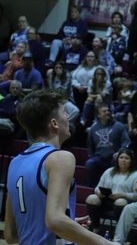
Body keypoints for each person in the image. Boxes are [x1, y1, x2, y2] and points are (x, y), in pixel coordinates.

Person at [3, 89, 118, 245]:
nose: (68, 117)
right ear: (54, 123)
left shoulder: (15, 162)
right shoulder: (60, 158)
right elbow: (55, 221)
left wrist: (69, 224)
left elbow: (10, 235)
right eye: (64, 112)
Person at [86, 148, 137, 235]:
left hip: (125, 202)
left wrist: (122, 194)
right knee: (91, 198)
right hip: (106, 199)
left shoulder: (136, 175)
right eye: (121, 157)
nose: (123, 160)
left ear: (131, 161)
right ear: (117, 159)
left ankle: (119, 232)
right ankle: (96, 227)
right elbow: (97, 188)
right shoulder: (109, 171)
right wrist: (99, 193)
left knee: (120, 201)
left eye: (127, 158)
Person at [85, 103, 131, 187]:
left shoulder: (119, 126)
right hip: (99, 158)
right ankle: (94, 188)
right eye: (104, 111)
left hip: (114, 157)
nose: (107, 112)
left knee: (117, 161)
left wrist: (120, 153)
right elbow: (90, 147)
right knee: (90, 163)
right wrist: (91, 156)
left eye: (108, 111)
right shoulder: (93, 129)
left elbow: (126, 142)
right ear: (98, 115)